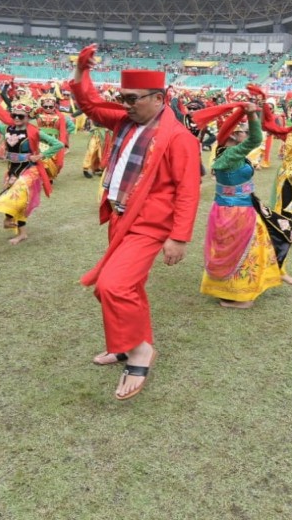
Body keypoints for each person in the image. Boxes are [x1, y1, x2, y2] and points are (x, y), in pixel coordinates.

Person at [70, 45, 201, 401]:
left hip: (150, 225)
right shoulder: (126, 120)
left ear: (158, 98)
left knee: (113, 286)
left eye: (131, 98)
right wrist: (82, 71)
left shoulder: (178, 138)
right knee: (120, 288)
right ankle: (125, 344)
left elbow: (189, 190)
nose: (124, 104)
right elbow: (90, 105)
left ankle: (140, 350)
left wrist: (180, 237)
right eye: (121, 97)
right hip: (120, 219)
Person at [195, 101, 292, 309]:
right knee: (243, 249)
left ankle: (240, 288)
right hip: (235, 211)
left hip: (239, 207)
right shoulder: (231, 155)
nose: (246, 134)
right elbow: (256, 138)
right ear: (233, 135)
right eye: (242, 130)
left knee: (254, 245)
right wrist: (252, 115)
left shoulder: (229, 155)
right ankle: (239, 295)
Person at [0, 94, 64, 245]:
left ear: (28, 117)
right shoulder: (6, 128)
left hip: (30, 168)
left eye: (21, 116)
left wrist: (41, 155)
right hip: (13, 169)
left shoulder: (35, 132)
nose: (16, 118)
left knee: (18, 195)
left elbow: (58, 144)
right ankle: (17, 228)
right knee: (13, 196)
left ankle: (11, 221)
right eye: (14, 115)